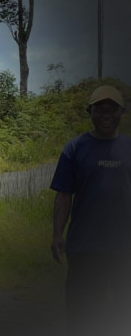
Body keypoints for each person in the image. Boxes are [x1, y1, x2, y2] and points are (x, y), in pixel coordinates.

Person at [50, 85, 131, 336]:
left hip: (125, 249)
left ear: (122, 112)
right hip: (84, 247)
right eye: (99, 109)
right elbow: (64, 195)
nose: (106, 114)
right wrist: (57, 235)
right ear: (90, 112)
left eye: (112, 109)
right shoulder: (75, 149)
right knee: (83, 314)